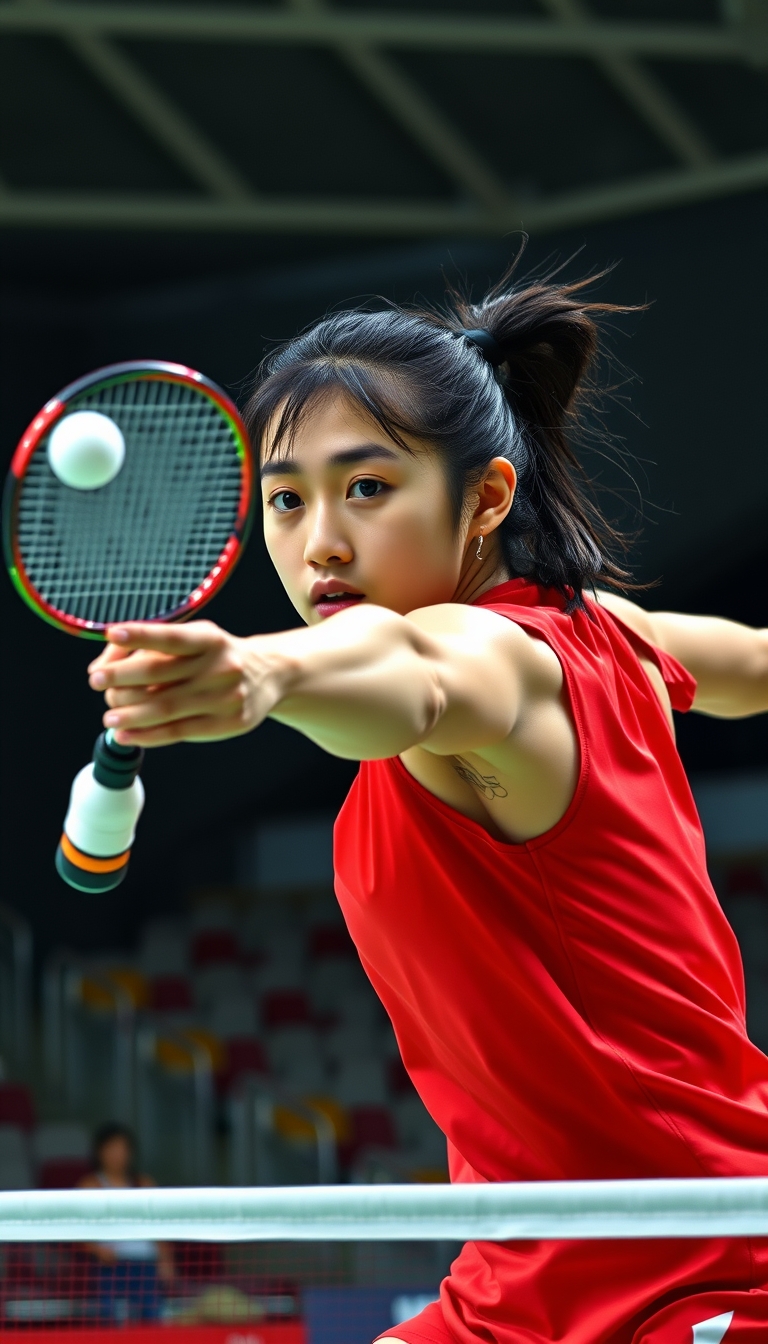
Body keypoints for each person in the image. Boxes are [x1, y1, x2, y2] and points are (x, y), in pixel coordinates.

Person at [86, 272, 768, 1342]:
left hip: (699, 1266)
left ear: (487, 499)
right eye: (285, 497)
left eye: (366, 488)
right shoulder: (624, 641)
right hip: (523, 1277)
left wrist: (265, 675)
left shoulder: (497, 662)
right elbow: (756, 664)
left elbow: (413, 667)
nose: (320, 543)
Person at [79, 1122, 173, 1321]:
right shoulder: (90, 1185)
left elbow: (159, 1228)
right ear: (100, 1152)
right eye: (111, 1148)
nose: (117, 1154)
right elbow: (78, 1230)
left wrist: (165, 1260)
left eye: (122, 1148)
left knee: (152, 1316)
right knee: (112, 1319)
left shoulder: (144, 1183)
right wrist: (97, 1250)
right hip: (111, 1266)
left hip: (145, 1264)